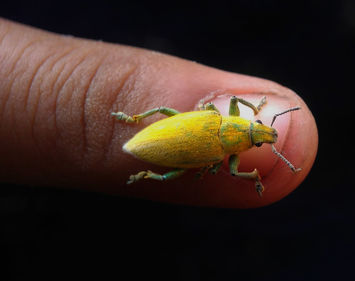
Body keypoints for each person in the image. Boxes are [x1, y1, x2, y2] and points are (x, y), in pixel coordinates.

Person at [0, 18, 318, 208]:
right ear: (246, 120)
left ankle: (142, 149)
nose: (263, 133)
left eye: (258, 139)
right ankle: (140, 145)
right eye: (258, 124)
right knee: (206, 171)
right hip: (180, 145)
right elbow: (235, 169)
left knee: (176, 169)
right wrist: (256, 177)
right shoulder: (217, 148)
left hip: (188, 144)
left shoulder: (213, 124)